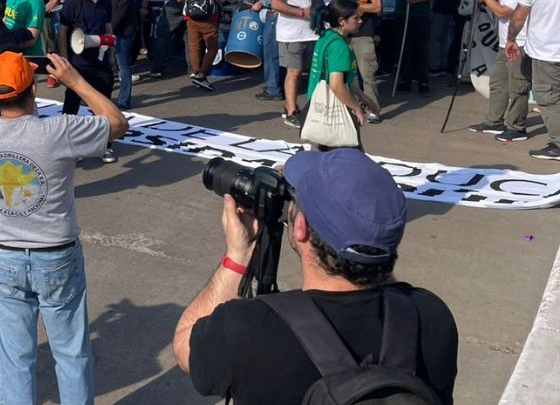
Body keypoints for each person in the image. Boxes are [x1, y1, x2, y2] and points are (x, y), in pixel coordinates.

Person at [174, 148, 458, 404]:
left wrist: (237, 257)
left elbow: (183, 346)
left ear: (300, 227)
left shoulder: (246, 328)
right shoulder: (430, 316)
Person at [0, 52, 128, 405]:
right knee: (71, 354)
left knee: (15, 359)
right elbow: (116, 122)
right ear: (33, 90)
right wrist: (75, 81)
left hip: (3, 255)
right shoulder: (58, 130)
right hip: (56, 254)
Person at [469, 0, 533, 142]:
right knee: (498, 83)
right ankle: (494, 121)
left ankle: (516, 127)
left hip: (520, 44)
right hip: (504, 43)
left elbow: (501, 11)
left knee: (518, 86)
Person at [58, 0, 118, 163]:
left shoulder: (106, 1)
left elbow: (108, 25)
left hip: (100, 61)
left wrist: (111, 54)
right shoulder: (72, 2)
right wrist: (65, 59)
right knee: (71, 105)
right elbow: (64, 30)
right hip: (78, 62)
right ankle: (70, 146)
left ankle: (105, 144)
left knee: (104, 104)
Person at [506, 0, 560, 160]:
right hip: (548, 52)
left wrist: (511, 39)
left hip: (546, 53)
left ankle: (558, 144)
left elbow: (518, 18)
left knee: (548, 99)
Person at [306, 0, 375, 150]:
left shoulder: (325, 37)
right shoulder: (339, 46)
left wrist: (364, 98)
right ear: (342, 21)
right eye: (355, 18)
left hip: (318, 106)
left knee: (322, 154)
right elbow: (337, 85)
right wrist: (356, 107)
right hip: (336, 109)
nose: (360, 21)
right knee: (350, 160)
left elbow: (346, 80)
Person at [331, 0, 384, 123]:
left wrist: (355, 8)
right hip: (344, 35)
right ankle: (350, 105)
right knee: (346, 74)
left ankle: (373, 108)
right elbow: (334, 6)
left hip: (363, 34)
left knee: (367, 73)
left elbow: (377, 7)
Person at [270, 0, 318, 128]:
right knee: (294, 72)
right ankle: (291, 111)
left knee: (309, 72)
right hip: (292, 35)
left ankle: (298, 106)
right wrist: (300, 12)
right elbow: (275, 3)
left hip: (311, 33)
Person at [175, 0, 224, 92]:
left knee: (194, 47)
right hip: (210, 17)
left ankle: (196, 72)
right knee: (212, 48)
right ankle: (202, 74)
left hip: (191, 17)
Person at [390, 0, 439, 94]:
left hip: (422, 14)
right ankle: (405, 79)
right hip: (402, 12)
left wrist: (416, 0)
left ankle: (423, 79)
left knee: (421, 48)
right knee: (403, 48)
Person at [106, 0, 139, 108]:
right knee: (113, 64)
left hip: (123, 32)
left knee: (123, 66)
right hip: (116, 30)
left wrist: (110, 29)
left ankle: (124, 100)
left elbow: (121, 11)